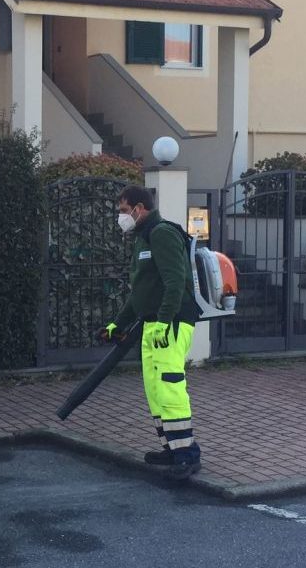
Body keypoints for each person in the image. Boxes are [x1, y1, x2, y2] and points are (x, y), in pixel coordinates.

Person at [97, 185, 202, 479]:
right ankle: (172, 448)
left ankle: (188, 455)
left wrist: (165, 321)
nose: (121, 217)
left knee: (170, 387)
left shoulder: (162, 234)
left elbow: (175, 281)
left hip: (170, 324)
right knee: (155, 390)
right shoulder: (143, 239)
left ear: (139, 208)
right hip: (154, 324)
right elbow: (140, 294)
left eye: (122, 211)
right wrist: (116, 324)